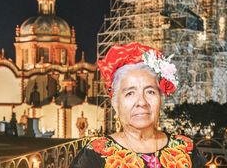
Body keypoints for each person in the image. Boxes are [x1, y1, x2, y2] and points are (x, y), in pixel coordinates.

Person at [70, 42, 206, 168]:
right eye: (130, 93)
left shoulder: (185, 148)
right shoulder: (96, 153)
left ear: (161, 99)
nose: (141, 102)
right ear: (116, 103)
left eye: (150, 92)